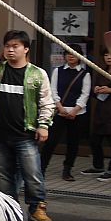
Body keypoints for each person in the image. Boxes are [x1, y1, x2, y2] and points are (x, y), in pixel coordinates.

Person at [0, 30, 56, 221]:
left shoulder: (37, 74)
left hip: (26, 134)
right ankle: (9, 209)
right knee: (4, 176)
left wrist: (43, 125)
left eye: (15, 46)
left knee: (32, 173)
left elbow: (47, 102)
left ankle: (37, 207)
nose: (10, 50)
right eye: (7, 46)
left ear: (26, 49)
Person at [41, 50, 91, 182]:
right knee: (51, 141)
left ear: (80, 57)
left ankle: (67, 170)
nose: (70, 56)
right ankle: (41, 168)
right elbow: (53, 90)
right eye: (68, 54)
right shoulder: (58, 71)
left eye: (73, 54)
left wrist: (75, 110)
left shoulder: (85, 74)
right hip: (59, 111)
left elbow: (85, 94)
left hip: (77, 113)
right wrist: (59, 107)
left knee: (73, 142)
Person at [82, 48, 111, 178]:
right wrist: (96, 89)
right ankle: (98, 166)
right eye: (106, 54)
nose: (108, 57)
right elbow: (94, 92)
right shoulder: (102, 71)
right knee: (95, 140)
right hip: (101, 111)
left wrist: (110, 90)